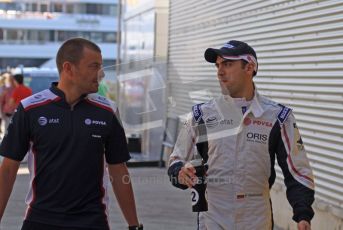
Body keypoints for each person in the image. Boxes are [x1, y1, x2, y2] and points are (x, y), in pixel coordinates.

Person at [167, 40, 315, 230]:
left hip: (256, 216)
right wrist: (180, 173)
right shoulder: (199, 114)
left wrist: (303, 214)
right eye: (218, 65)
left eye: (228, 64)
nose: (220, 72)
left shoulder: (279, 117)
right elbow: (175, 161)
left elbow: (298, 171)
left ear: (250, 67)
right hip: (213, 215)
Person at [0, 38, 143, 230]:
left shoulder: (108, 111)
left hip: (93, 222)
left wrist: (134, 225)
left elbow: (119, 171)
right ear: (68, 68)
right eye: (94, 66)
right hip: (40, 220)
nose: (100, 74)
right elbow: (8, 170)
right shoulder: (30, 109)